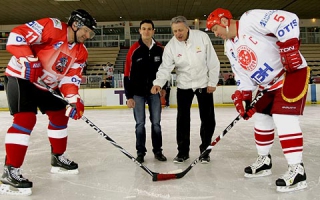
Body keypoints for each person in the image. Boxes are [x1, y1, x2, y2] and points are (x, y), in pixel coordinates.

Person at [207, 8, 309, 192]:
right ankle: (264, 161)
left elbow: (288, 19)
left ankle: (297, 169)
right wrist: (244, 95)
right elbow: (242, 73)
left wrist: (290, 45)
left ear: (223, 21)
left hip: (289, 75)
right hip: (266, 85)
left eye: (215, 29)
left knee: (284, 119)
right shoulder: (229, 46)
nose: (216, 34)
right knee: (261, 120)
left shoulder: (249, 19)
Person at [0, 9, 96, 196]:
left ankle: (58, 158)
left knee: (60, 115)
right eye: (86, 31)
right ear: (75, 25)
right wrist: (28, 58)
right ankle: (10, 171)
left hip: (47, 85)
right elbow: (16, 35)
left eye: (90, 33)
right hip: (22, 77)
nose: (87, 36)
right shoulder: (53, 26)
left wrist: (74, 100)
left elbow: (70, 78)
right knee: (25, 120)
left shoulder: (81, 52)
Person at [151, 16, 220, 164]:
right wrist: (158, 83)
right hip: (184, 85)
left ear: (187, 28)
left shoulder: (202, 37)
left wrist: (212, 82)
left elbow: (213, 61)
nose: (178, 34)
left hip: (203, 83)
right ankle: (183, 152)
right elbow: (165, 68)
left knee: (208, 119)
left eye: (180, 30)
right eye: (175, 31)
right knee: (182, 120)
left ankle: (205, 151)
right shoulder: (171, 46)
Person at [124, 19, 167, 164]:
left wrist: (163, 88)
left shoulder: (160, 49)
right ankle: (140, 152)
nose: (146, 31)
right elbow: (126, 75)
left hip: (154, 93)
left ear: (153, 31)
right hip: (137, 94)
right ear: (140, 31)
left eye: (149, 29)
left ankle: (158, 151)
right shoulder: (134, 50)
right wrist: (129, 96)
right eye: (144, 28)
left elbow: (165, 72)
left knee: (156, 123)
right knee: (139, 124)